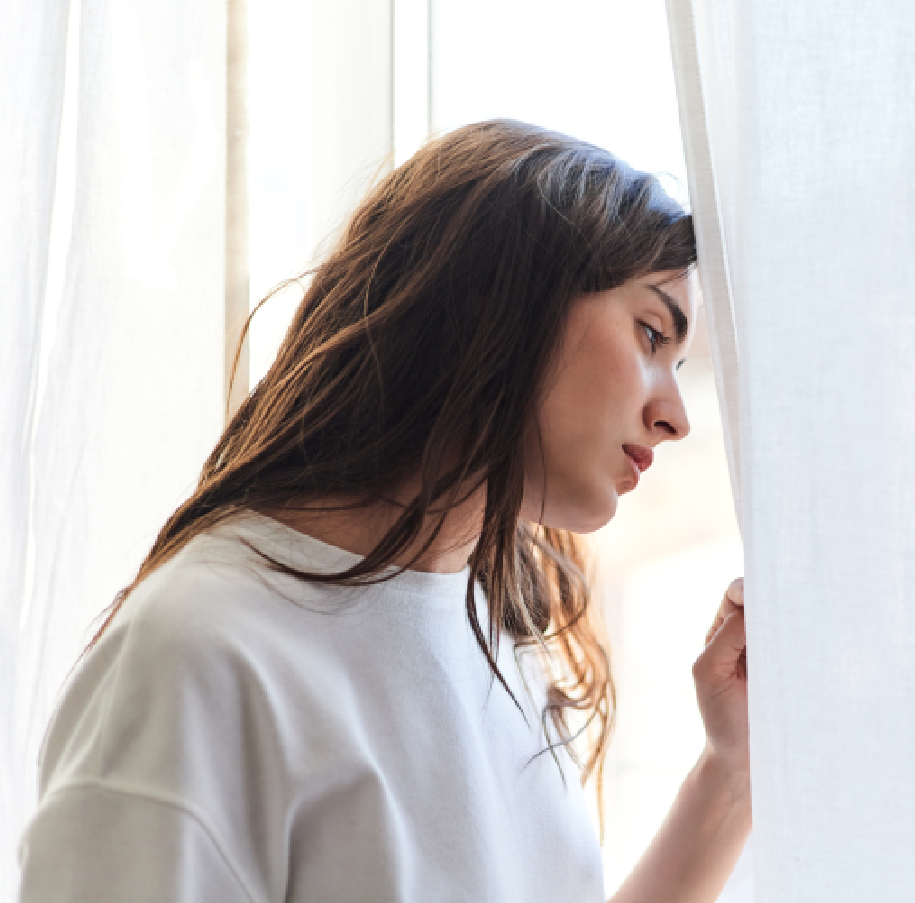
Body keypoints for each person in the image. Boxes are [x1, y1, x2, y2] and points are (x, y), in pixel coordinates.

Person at [18, 119, 749, 902]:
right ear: (497, 302)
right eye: (648, 333)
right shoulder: (202, 656)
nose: (675, 414)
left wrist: (731, 775)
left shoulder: (500, 634)